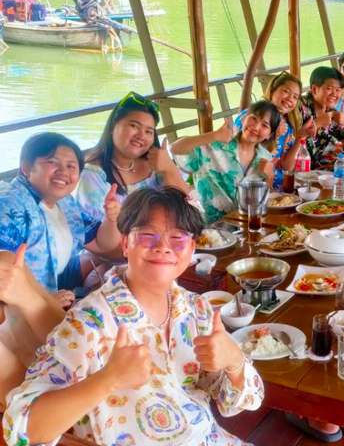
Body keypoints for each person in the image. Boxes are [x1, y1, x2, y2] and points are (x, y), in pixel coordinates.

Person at [2, 187, 265, 446]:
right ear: (125, 243)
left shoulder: (197, 310)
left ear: (192, 248)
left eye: (178, 238)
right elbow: (22, 430)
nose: (163, 247)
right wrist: (108, 379)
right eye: (148, 235)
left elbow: (240, 401)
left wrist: (233, 361)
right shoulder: (90, 323)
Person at [0, 133, 122, 299]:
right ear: (27, 168)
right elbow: (5, 277)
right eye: (52, 162)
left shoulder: (65, 202)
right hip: (20, 300)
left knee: (110, 265)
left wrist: (111, 218)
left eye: (71, 166)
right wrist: (45, 304)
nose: (63, 172)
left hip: (54, 275)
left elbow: (103, 245)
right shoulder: (11, 206)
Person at [77, 91, 190, 222]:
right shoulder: (93, 176)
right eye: (134, 126)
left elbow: (186, 207)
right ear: (113, 126)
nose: (141, 136)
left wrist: (169, 169)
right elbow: (101, 235)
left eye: (148, 131)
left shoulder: (154, 165)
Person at [171, 100, 280, 223]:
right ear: (244, 118)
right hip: (209, 230)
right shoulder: (214, 146)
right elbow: (175, 148)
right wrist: (213, 136)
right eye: (253, 118)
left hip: (244, 229)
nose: (256, 127)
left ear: (269, 134)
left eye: (264, 125)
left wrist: (270, 177)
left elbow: (261, 202)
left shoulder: (265, 158)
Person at [0, 244, 66, 409]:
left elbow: (72, 337)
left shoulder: (8, 264)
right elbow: (23, 406)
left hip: (88, 383)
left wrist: (25, 296)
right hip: (41, 418)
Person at [299, 66, 344, 168]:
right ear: (314, 89)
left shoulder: (331, 112)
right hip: (296, 172)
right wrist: (317, 123)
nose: (334, 94)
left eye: (338, 90)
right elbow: (291, 141)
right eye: (329, 89)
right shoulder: (299, 107)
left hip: (317, 171)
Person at [264, 72, 317, 188]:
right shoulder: (254, 117)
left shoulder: (287, 123)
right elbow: (246, 156)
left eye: (295, 97)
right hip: (258, 186)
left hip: (281, 187)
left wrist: (301, 137)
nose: (290, 99)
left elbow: (286, 166)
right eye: (286, 91)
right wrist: (273, 135)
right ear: (273, 90)